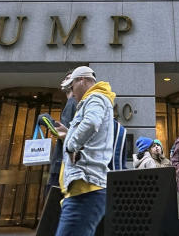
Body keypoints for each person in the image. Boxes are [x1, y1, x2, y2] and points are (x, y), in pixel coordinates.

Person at [54, 66, 116, 236]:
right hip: (83, 188)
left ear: (81, 80)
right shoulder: (96, 99)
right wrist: (69, 135)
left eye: (71, 86)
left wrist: (70, 145)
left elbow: (91, 123)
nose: (72, 93)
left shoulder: (95, 98)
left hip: (86, 189)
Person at [47, 73, 78, 195]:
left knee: (53, 205)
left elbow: (63, 132)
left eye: (68, 78)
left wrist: (47, 121)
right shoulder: (73, 103)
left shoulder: (72, 103)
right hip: (65, 163)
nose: (64, 80)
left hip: (62, 164)